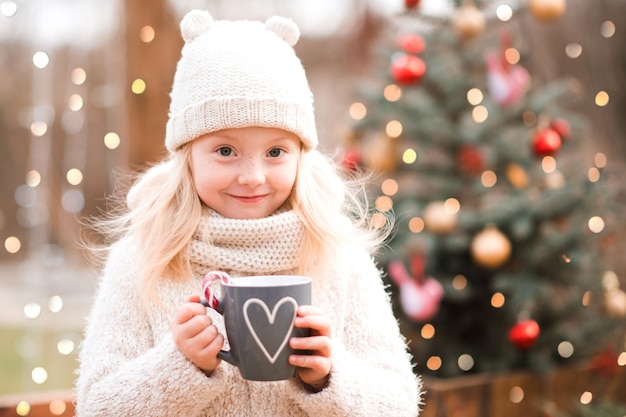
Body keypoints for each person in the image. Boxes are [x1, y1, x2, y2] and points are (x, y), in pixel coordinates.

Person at [75, 9, 422, 417]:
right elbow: (96, 407)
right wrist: (180, 365)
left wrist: (329, 376)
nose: (253, 177)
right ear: (187, 156)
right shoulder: (143, 260)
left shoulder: (339, 257)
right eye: (225, 151)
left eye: (276, 152)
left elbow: (399, 404)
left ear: (300, 156)